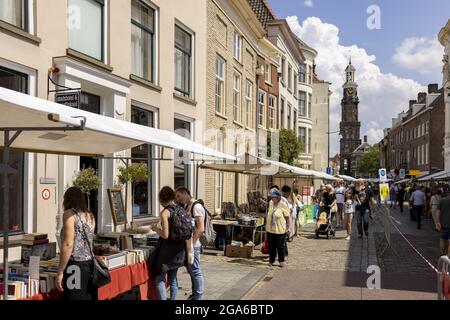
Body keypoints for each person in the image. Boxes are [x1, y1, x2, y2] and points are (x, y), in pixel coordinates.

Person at [56, 186, 97, 300]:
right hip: (90, 264)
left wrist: (60, 272)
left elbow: (68, 244)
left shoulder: (69, 214)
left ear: (67, 199)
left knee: (72, 297)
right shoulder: (90, 215)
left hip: (75, 265)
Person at [151, 186, 186, 300]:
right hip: (179, 249)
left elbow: (165, 234)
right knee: (173, 279)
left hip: (167, 251)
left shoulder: (165, 212)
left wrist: (155, 229)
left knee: (159, 279)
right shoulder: (179, 209)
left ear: (161, 199)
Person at [175, 187, 205, 300]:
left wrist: (191, 244)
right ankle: (195, 294)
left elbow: (201, 228)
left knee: (195, 270)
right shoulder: (188, 206)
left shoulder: (196, 207)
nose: (178, 199)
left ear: (185, 193)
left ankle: (198, 296)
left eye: (179, 196)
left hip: (194, 245)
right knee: (191, 270)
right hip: (190, 244)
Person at [265, 190, 290, 267]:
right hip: (270, 229)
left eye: (274, 197)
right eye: (272, 197)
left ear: (278, 198)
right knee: (271, 246)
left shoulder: (283, 205)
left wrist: (288, 228)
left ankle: (281, 260)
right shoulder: (271, 203)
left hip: (280, 230)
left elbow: (287, 218)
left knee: (280, 246)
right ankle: (271, 260)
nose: (272, 199)